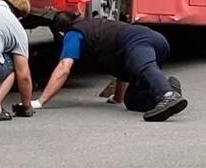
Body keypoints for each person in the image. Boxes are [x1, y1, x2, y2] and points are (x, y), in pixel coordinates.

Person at [33, 12, 188, 122]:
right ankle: (170, 91)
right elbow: (122, 67)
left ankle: (167, 94)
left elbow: (64, 68)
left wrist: (41, 101)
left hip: (139, 40)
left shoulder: (73, 33)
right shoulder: (96, 28)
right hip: (155, 42)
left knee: (144, 66)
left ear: (60, 32)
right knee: (132, 101)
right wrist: (118, 98)